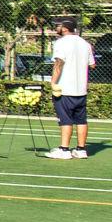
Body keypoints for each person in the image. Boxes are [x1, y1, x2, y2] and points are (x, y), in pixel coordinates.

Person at [47, 18, 95, 159]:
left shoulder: (61, 43)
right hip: (81, 89)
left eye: (58, 25)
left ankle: (64, 149)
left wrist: (53, 82)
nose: (56, 27)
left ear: (65, 28)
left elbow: (59, 62)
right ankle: (81, 149)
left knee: (65, 119)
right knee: (81, 120)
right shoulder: (85, 43)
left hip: (65, 89)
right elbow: (92, 65)